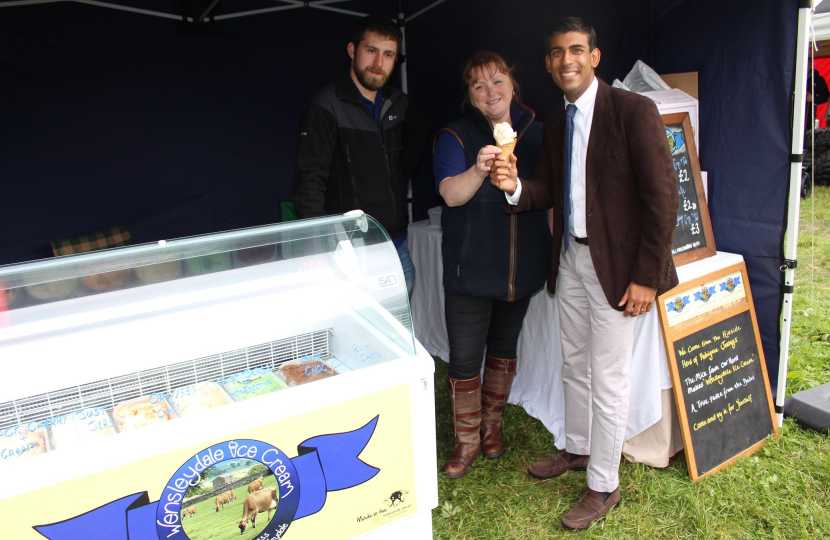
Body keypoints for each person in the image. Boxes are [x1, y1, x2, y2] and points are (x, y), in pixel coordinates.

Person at [493, 18, 679, 529]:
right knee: (573, 363)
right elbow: (549, 190)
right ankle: (576, 448)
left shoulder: (633, 111)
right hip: (572, 260)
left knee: (609, 377)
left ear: (594, 57)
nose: (566, 60)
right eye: (556, 52)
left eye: (576, 50)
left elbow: (664, 199)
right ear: (549, 64)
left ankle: (603, 483)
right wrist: (513, 187)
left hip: (620, 269)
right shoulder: (557, 121)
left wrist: (646, 276)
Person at [434, 51, 552, 479]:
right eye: (479, 86)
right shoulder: (455, 134)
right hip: (470, 271)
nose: (490, 93)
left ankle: (491, 429)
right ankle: (465, 441)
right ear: (470, 95)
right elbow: (450, 194)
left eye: (497, 81)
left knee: (504, 351)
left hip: (521, 271)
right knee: (466, 361)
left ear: (513, 84)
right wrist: (478, 170)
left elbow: (549, 192)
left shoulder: (538, 132)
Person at [292, 14, 427, 294]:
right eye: (372, 51)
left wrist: (397, 176)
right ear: (353, 50)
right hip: (348, 254)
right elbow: (309, 182)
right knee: (355, 336)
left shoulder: (398, 103)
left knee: (397, 333)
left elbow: (419, 136)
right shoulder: (326, 105)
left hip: (395, 248)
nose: (379, 63)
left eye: (388, 54)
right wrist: (316, 248)